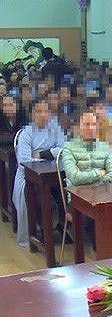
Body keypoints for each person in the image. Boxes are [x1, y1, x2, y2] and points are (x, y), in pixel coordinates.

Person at [13, 98, 66, 248]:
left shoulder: (55, 129)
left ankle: (64, 227)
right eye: (38, 111)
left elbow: (64, 149)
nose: (43, 115)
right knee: (38, 195)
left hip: (54, 173)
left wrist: (43, 154)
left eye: (46, 111)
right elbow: (24, 161)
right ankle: (43, 231)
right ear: (32, 114)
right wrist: (49, 158)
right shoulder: (26, 134)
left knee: (68, 190)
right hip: (29, 177)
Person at [61, 110, 112, 187]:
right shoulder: (68, 148)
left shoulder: (106, 147)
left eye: (93, 124)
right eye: (87, 124)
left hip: (102, 194)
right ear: (79, 127)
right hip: (78, 195)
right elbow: (75, 178)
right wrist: (100, 173)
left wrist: (85, 178)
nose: (90, 128)